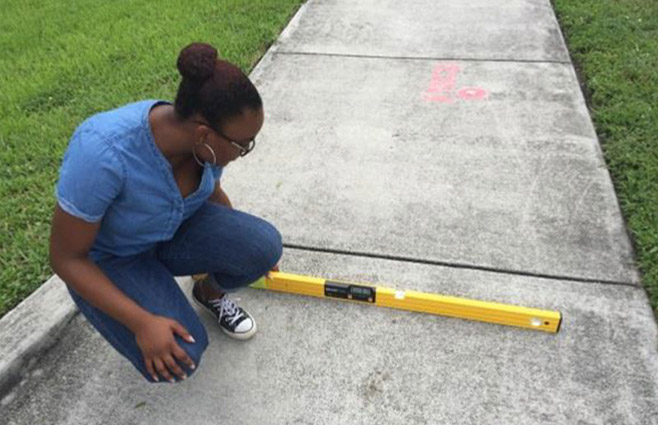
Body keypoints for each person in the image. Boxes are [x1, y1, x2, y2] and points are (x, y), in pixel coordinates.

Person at [49, 42, 282, 384]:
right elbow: (65, 258)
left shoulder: (205, 148)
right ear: (204, 132)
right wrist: (142, 323)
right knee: (182, 355)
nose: (245, 151)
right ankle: (133, 295)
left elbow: (211, 193)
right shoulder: (102, 151)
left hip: (172, 230)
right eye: (243, 144)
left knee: (263, 244)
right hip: (113, 258)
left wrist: (250, 251)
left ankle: (208, 293)